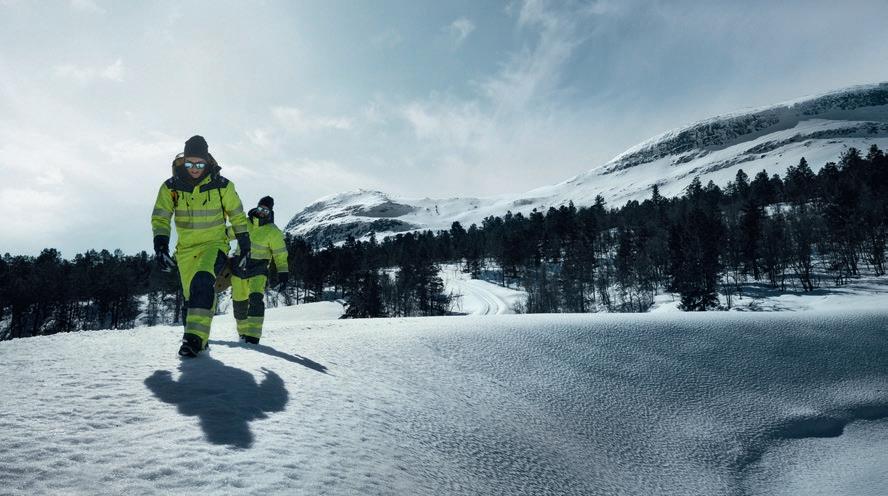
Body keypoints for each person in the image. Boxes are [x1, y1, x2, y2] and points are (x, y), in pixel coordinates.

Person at [151, 135, 251, 357]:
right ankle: (198, 341)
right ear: (183, 161)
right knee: (191, 298)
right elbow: (161, 217)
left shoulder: (222, 185)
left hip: (214, 245)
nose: (194, 169)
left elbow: (237, 215)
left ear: (207, 161)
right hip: (185, 251)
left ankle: (194, 340)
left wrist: (245, 245)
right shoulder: (171, 187)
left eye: (199, 164)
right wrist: (160, 246)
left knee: (203, 282)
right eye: (189, 164)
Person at [230, 196, 289, 344]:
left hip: (259, 268)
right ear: (257, 207)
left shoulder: (273, 232)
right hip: (239, 267)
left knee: (256, 299)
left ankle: (253, 337)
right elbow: (225, 234)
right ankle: (242, 334)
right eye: (261, 208)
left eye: (266, 210)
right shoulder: (244, 223)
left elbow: (280, 255)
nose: (262, 212)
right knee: (239, 303)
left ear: (270, 212)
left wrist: (283, 273)